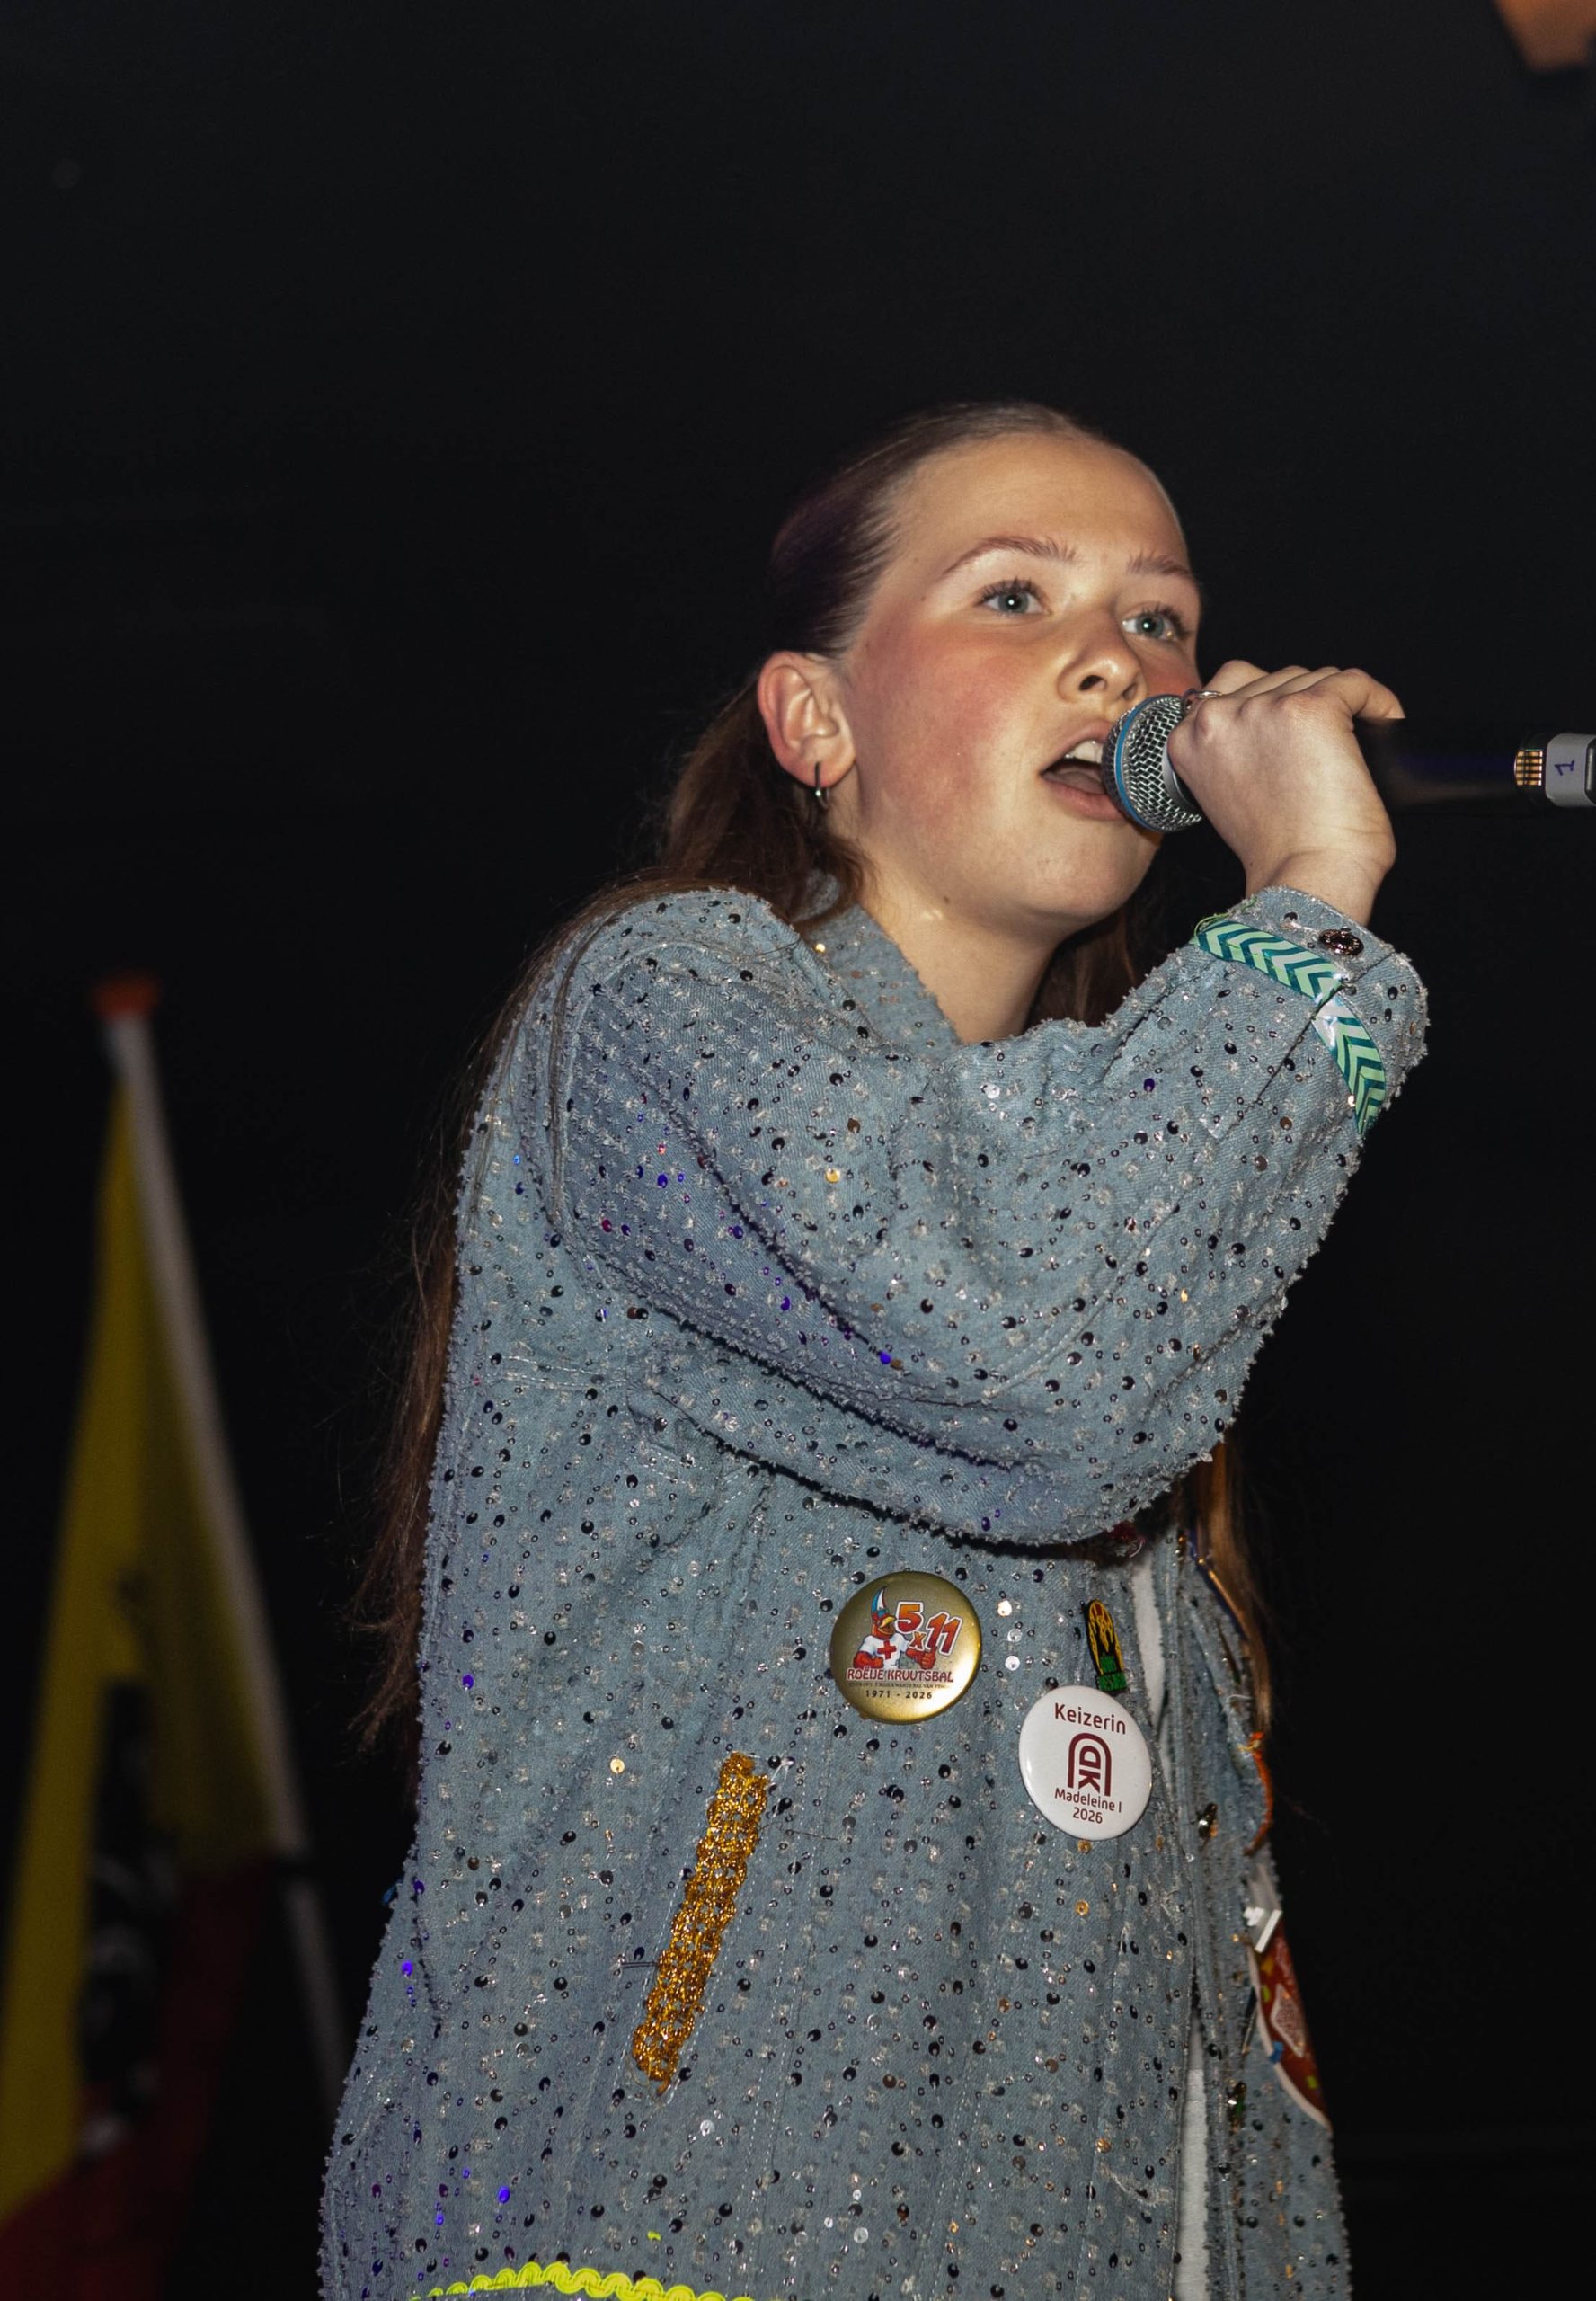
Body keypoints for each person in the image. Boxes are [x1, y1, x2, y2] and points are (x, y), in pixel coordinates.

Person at [325, 400, 1425, 2301]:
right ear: (813, 718)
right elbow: (1042, 1357)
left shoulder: (1142, 1200)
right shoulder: (661, 1007)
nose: (1121, 659)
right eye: (1015, 595)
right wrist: (1311, 894)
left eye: (1162, 619)